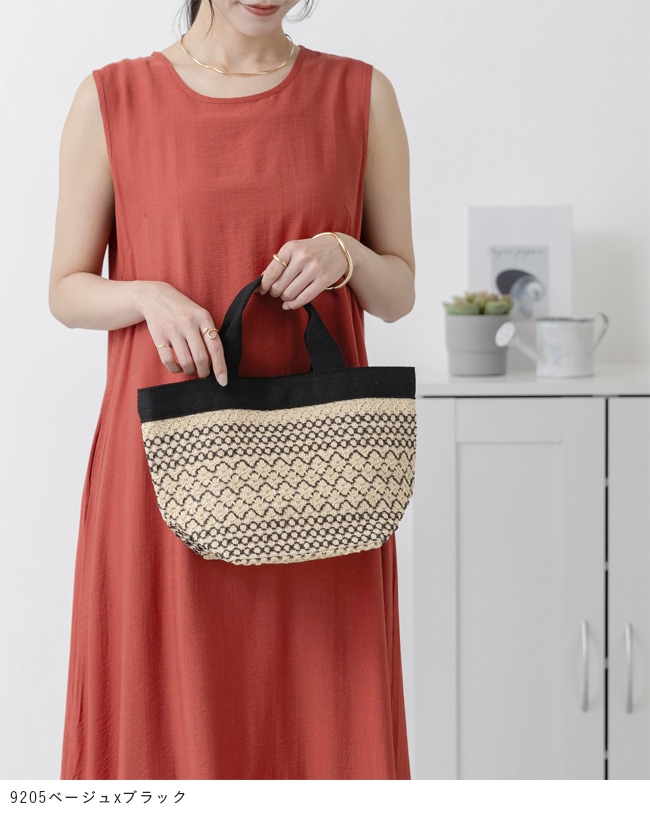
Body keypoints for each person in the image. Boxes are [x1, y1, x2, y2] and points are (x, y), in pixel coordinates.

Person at [49, 0, 415, 780]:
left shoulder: (362, 96)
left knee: (322, 719)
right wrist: (144, 295)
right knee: (162, 722)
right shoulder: (112, 99)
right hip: (164, 468)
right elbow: (67, 290)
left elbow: (398, 292)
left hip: (323, 482)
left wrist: (345, 253)